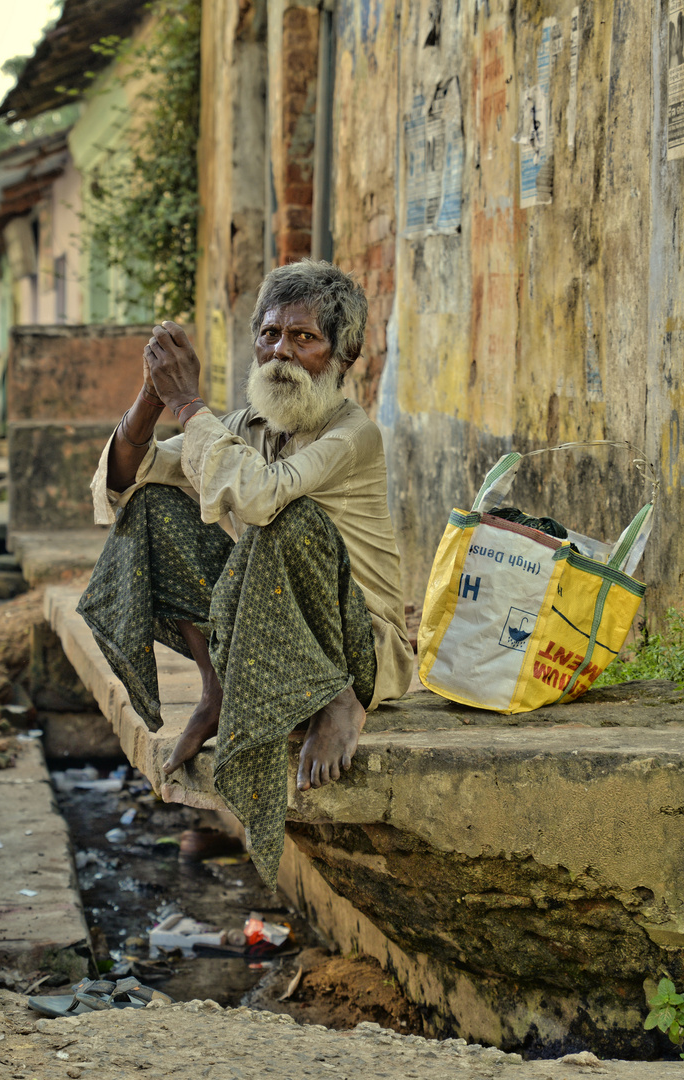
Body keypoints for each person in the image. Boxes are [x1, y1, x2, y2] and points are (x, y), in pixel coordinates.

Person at [78, 260, 414, 885]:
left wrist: (186, 401)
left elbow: (261, 497)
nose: (280, 352)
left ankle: (339, 700)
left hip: (355, 643)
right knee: (154, 506)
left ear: (344, 355)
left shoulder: (352, 433)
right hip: (273, 640)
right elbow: (128, 479)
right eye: (269, 335)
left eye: (303, 339)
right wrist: (153, 395)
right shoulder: (242, 429)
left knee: (281, 517)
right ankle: (217, 685)